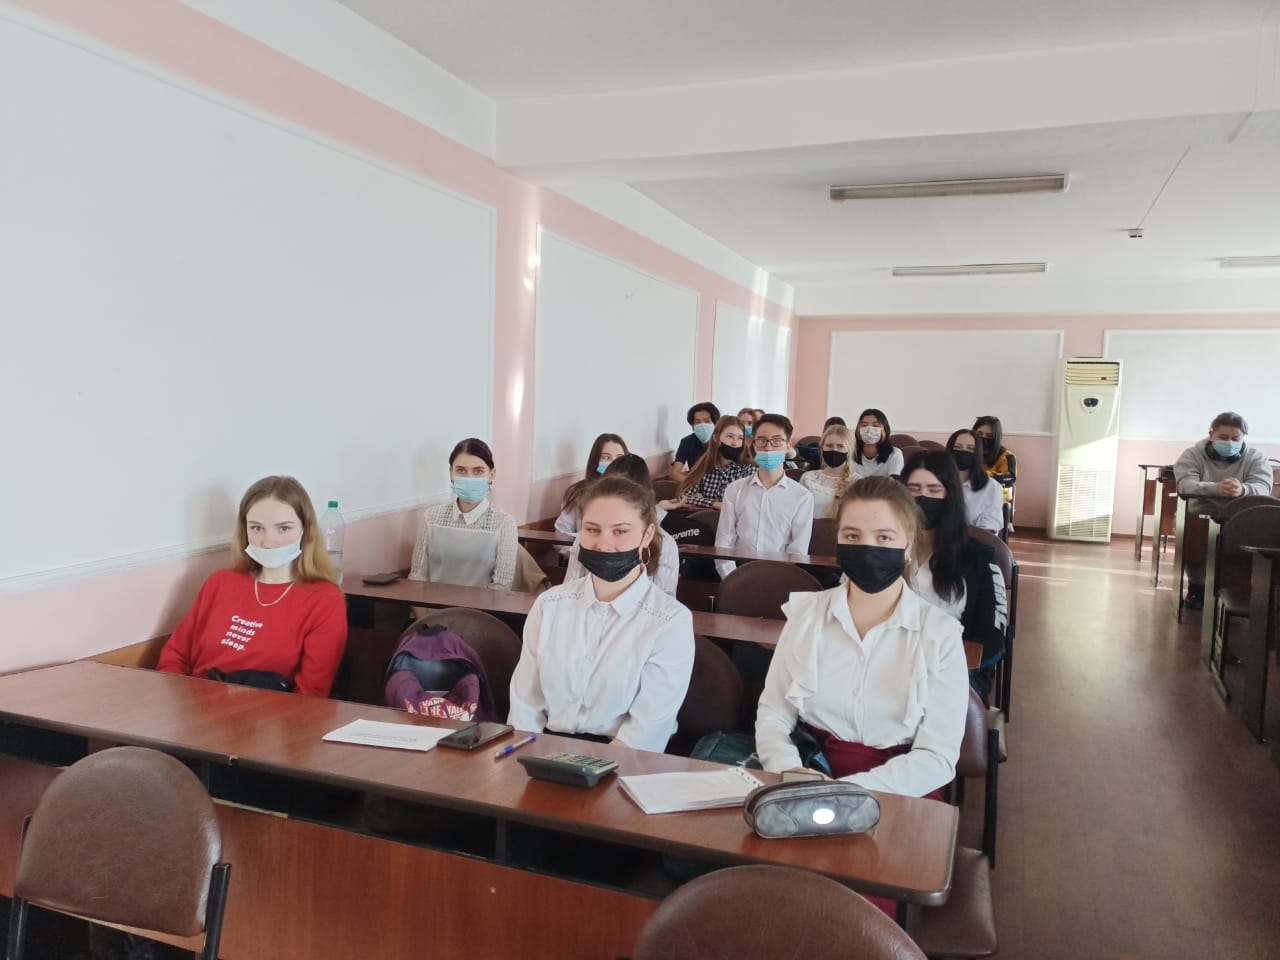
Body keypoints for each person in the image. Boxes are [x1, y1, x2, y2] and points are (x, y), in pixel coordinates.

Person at [755, 475, 967, 806]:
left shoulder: (940, 634)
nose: (868, 549)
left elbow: (937, 756)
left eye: (884, 537)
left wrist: (842, 792)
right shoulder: (806, 615)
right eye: (852, 536)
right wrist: (789, 770)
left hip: (901, 791)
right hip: (806, 778)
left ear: (907, 544)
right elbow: (774, 713)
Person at [508, 476, 695, 752]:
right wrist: (525, 758)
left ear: (646, 535)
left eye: (620, 532)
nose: (604, 545)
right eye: (592, 530)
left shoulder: (670, 621)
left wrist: (586, 768)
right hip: (542, 748)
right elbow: (525, 704)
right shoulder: (549, 605)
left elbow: (647, 729)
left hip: (622, 758)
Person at [157, 476, 346, 697]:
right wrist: (181, 703)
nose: (268, 541)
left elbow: (311, 692)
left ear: (306, 530)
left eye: (283, 529)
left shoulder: (325, 599)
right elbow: (174, 657)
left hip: (270, 716)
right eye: (257, 528)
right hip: (196, 707)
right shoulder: (221, 582)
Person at [902, 450, 1008, 700]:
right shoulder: (886, 547)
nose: (923, 497)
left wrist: (941, 662)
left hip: (952, 669)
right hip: (889, 661)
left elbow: (992, 639)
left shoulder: (979, 556)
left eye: (934, 490)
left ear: (950, 495)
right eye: (914, 489)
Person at [1174, 411, 1275, 610]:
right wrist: (1216, 489)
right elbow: (1185, 485)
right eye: (1223, 437)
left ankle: (1240, 590)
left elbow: (1263, 486)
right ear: (1211, 435)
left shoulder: (1256, 457)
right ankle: (1197, 586)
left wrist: (1242, 489)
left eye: (1235, 438)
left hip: (1240, 517)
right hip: (1200, 515)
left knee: (1258, 534)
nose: (1230, 442)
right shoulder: (1192, 455)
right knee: (1191, 534)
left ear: (1243, 437)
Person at [715, 413, 814, 579]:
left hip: (781, 575)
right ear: (753, 445)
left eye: (777, 441)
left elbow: (798, 551)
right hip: (738, 572)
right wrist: (731, 578)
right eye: (761, 441)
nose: (768, 448)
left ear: (788, 445)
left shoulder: (802, 497)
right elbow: (724, 541)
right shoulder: (735, 490)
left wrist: (777, 582)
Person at [565, 454, 680, 597]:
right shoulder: (584, 539)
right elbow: (569, 589)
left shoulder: (665, 544)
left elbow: (664, 599)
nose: (604, 545)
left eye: (620, 531)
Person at [409, 438, 517, 590]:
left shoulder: (504, 523)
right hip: (432, 604)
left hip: (482, 605)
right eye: (461, 470)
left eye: (478, 471)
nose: (469, 478)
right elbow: (417, 576)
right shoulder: (431, 517)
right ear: (451, 473)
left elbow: (501, 586)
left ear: (491, 474)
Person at [659, 415, 753, 512]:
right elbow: (685, 497)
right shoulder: (704, 466)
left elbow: (745, 505)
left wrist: (701, 500)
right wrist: (715, 504)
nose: (735, 443)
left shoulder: (749, 470)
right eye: (730, 436)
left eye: (740, 438)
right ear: (716, 437)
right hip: (704, 518)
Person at [555, 433, 628, 538]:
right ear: (596, 461)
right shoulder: (576, 493)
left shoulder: (634, 495)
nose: (613, 463)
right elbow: (561, 534)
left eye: (619, 458)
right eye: (606, 457)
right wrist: (583, 543)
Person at [946, 429, 1004, 536]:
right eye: (958, 447)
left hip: (972, 542)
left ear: (978, 453)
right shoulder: (937, 481)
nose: (963, 452)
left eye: (970, 448)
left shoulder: (992, 488)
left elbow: (990, 528)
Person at [800, 423, 856, 519]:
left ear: (849, 450)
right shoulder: (807, 478)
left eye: (840, 446)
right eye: (829, 445)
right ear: (822, 448)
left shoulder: (857, 482)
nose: (834, 450)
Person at [972, 416, 1016, 505]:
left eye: (989, 436)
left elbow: (1010, 478)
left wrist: (984, 475)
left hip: (994, 499)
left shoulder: (1007, 456)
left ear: (996, 437)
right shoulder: (968, 451)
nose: (983, 438)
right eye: (979, 433)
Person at [852, 408, 904, 479]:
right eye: (864, 425)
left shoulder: (894, 454)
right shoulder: (850, 453)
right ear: (858, 430)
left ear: (885, 430)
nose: (869, 429)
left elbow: (894, 483)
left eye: (875, 425)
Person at [672, 402, 721, 473]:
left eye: (706, 421)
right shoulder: (687, 442)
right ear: (692, 427)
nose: (702, 425)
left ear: (716, 424)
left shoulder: (723, 441)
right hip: (695, 478)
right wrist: (694, 480)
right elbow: (675, 473)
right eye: (697, 422)